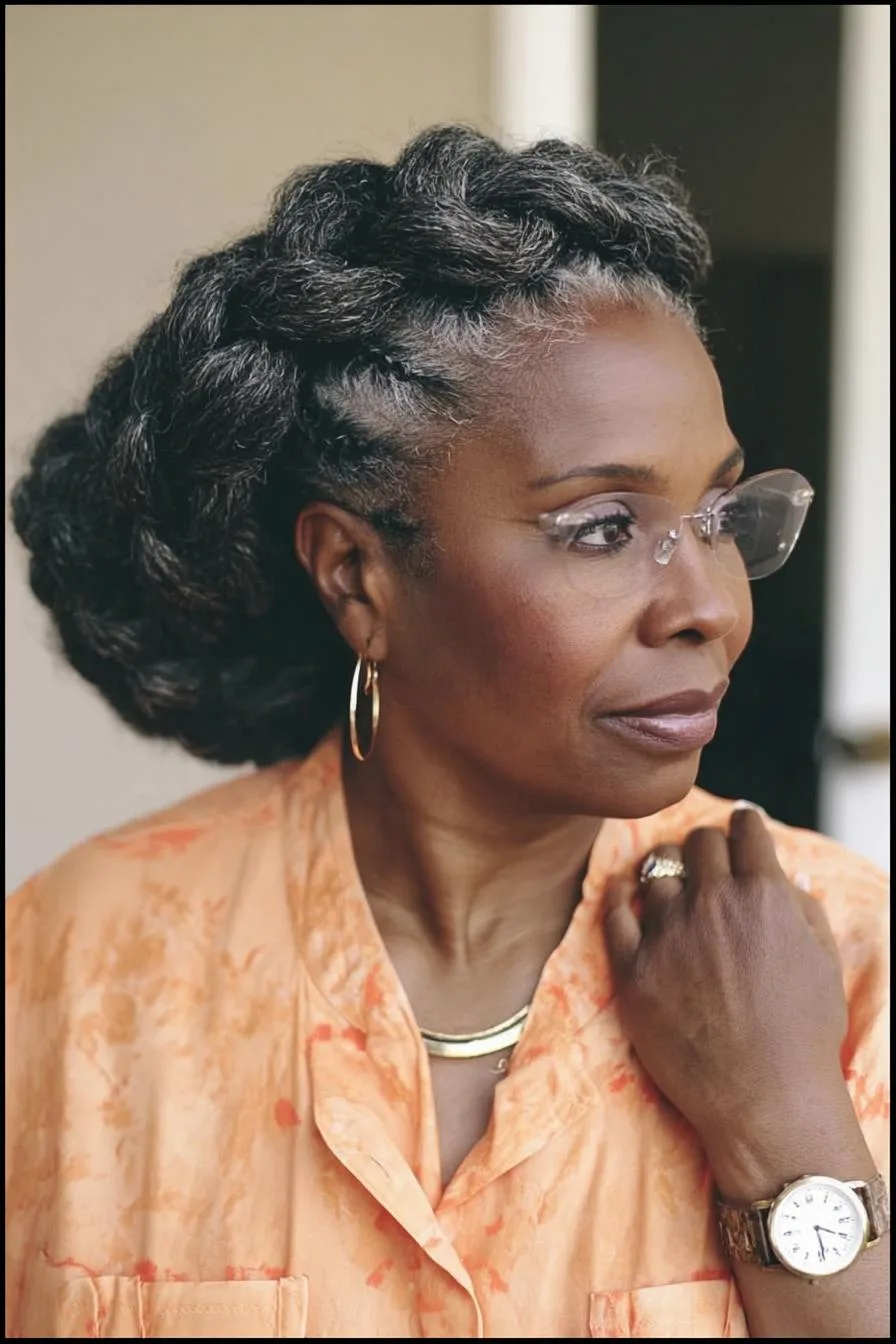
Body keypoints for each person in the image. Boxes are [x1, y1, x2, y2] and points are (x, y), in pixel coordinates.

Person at [5, 126, 888, 1340]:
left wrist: (783, 1125)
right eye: (600, 526)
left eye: (718, 514)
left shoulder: (843, 962)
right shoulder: (74, 962)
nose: (709, 607)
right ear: (359, 579)